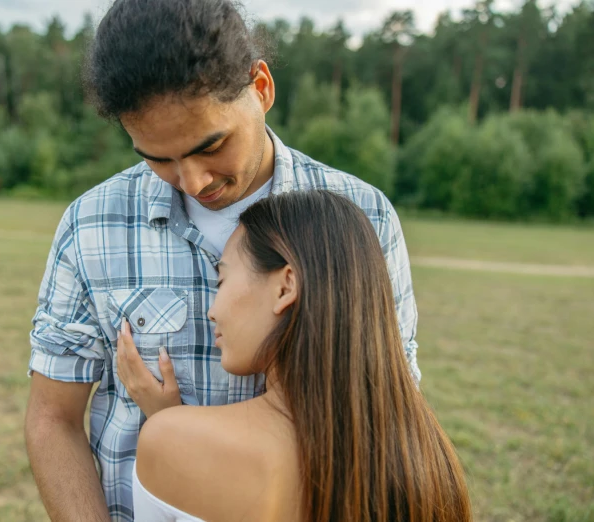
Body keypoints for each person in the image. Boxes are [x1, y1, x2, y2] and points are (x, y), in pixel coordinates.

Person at [24, 0, 420, 520]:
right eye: (158, 158)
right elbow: (53, 419)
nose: (193, 181)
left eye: (211, 146)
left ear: (261, 88)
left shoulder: (365, 216)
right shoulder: (90, 223)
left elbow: (388, 413)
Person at [127, 190, 471, 521]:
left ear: (286, 286)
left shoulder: (170, 441)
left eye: (222, 279)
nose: (212, 311)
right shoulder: (429, 460)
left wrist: (168, 425)